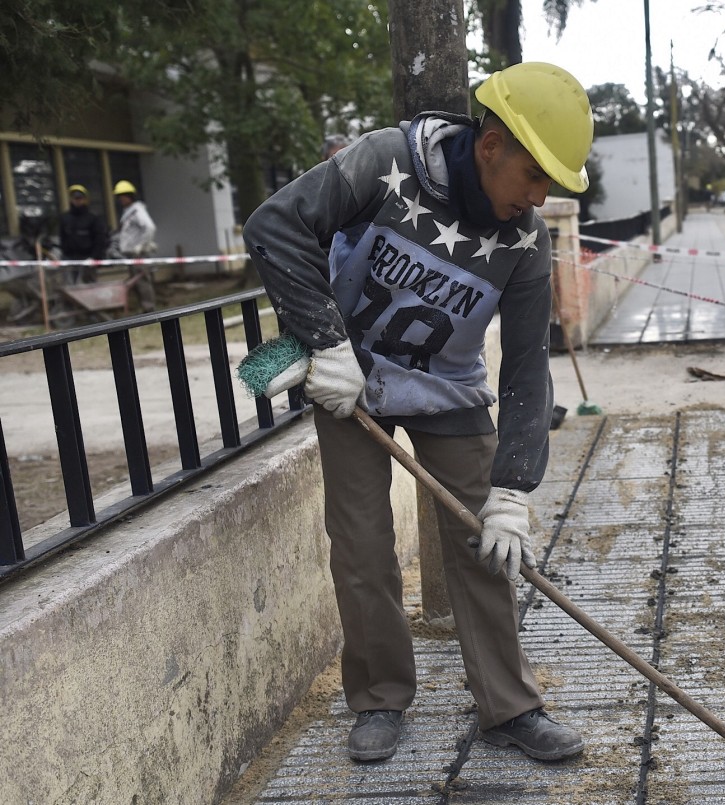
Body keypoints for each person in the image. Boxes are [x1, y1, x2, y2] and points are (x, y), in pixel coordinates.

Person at [242, 62, 594, 764]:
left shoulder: (526, 240)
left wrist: (513, 485)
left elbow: (527, 367)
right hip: (352, 381)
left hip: (451, 391)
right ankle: (378, 698)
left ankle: (509, 706)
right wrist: (323, 342)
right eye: (533, 174)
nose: (539, 195)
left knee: (488, 546)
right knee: (363, 547)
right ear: (489, 147)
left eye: (552, 182)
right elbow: (274, 225)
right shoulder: (383, 163)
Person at [112, 180, 158, 312]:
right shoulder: (128, 212)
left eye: (123, 196)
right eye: (119, 196)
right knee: (136, 281)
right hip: (130, 253)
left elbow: (150, 227)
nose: (120, 199)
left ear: (130, 196)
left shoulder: (137, 210)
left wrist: (141, 245)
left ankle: (149, 309)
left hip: (138, 253)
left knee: (142, 280)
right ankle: (143, 307)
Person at [59, 184, 108, 284]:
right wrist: (64, 254)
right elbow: (62, 237)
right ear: (71, 199)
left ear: (85, 199)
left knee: (89, 285)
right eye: (75, 198)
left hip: (87, 258)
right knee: (70, 286)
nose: (77, 201)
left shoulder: (93, 218)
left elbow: (99, 238)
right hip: (70, 259)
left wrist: (95, 257)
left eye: (80, 198)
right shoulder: (65, 218)